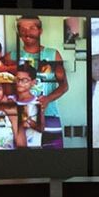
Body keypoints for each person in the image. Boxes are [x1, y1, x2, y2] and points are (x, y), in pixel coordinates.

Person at [15, 16, 67, 148]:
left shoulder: (53, 54)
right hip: (21, 116)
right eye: (23, 29)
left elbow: (64, 86)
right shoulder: (12, 56)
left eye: (32, 28)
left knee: (52, 155)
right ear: (19, 33)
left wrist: (48, 99)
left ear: (40, 31)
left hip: (49, 114)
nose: (27, 32)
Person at [10, 64, 44, 148]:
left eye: (24, 80)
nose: (20, 83)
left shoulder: (37, 102)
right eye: (17, 79)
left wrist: (28, 122)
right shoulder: (9, 100)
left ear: (33, 82)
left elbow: (41, 128)